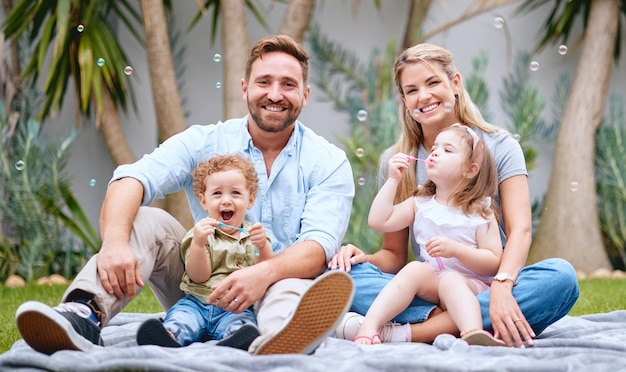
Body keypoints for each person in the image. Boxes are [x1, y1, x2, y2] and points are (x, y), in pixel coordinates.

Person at [15, 34, 355, 356]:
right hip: (202, 286)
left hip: (276, 284)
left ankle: (277, 340)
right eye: (264, 81)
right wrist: (115, 243)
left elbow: (318, 246)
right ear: (245, 88)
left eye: (288, 85)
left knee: (289, 289)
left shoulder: (328, 161)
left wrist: (261, 274)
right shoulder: (205, 141)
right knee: (150, 219)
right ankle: (83, 314)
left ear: (305, 95)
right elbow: (132, 178)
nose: (275, 94)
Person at [331, 43, 579, 348]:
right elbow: (394, 256)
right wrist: (363, 259)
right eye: (411, 90)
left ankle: (410, 330)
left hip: (484, 282)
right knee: (349, 277)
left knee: (560, 278)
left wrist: (502, 286)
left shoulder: (499, 146)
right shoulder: (398, 161)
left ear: (456, 84)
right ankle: (466, 323)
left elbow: (521, 232)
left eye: (433, 82)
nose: (424, 96)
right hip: (429, 283)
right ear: (405, 100)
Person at [354, 125, 504, 346]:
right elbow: (379, 221)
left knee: (452, 281)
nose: (435, 152)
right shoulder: (421, 204)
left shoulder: (480, 211)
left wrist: (456, 250)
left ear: (470, 170)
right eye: (435, 148)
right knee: (414, 268)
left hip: (473, 284)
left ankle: (473, 332)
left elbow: (493, 263)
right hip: (435, 281)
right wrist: (393, 180)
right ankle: (370, 325)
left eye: (447, 150)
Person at [136, 154, 273, 350]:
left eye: (235, 193)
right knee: (181, 318)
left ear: (250, 200)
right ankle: (169, 335)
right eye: (217, 194)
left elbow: (266, 271)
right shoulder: (200, 235)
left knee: (242, 322)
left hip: (235, 307)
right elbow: (198, 276)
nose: (226, 200)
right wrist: (199, 245)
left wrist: (263, 247)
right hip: (197, 303)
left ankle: (238, 337)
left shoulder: (255, 235)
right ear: (203, 200)